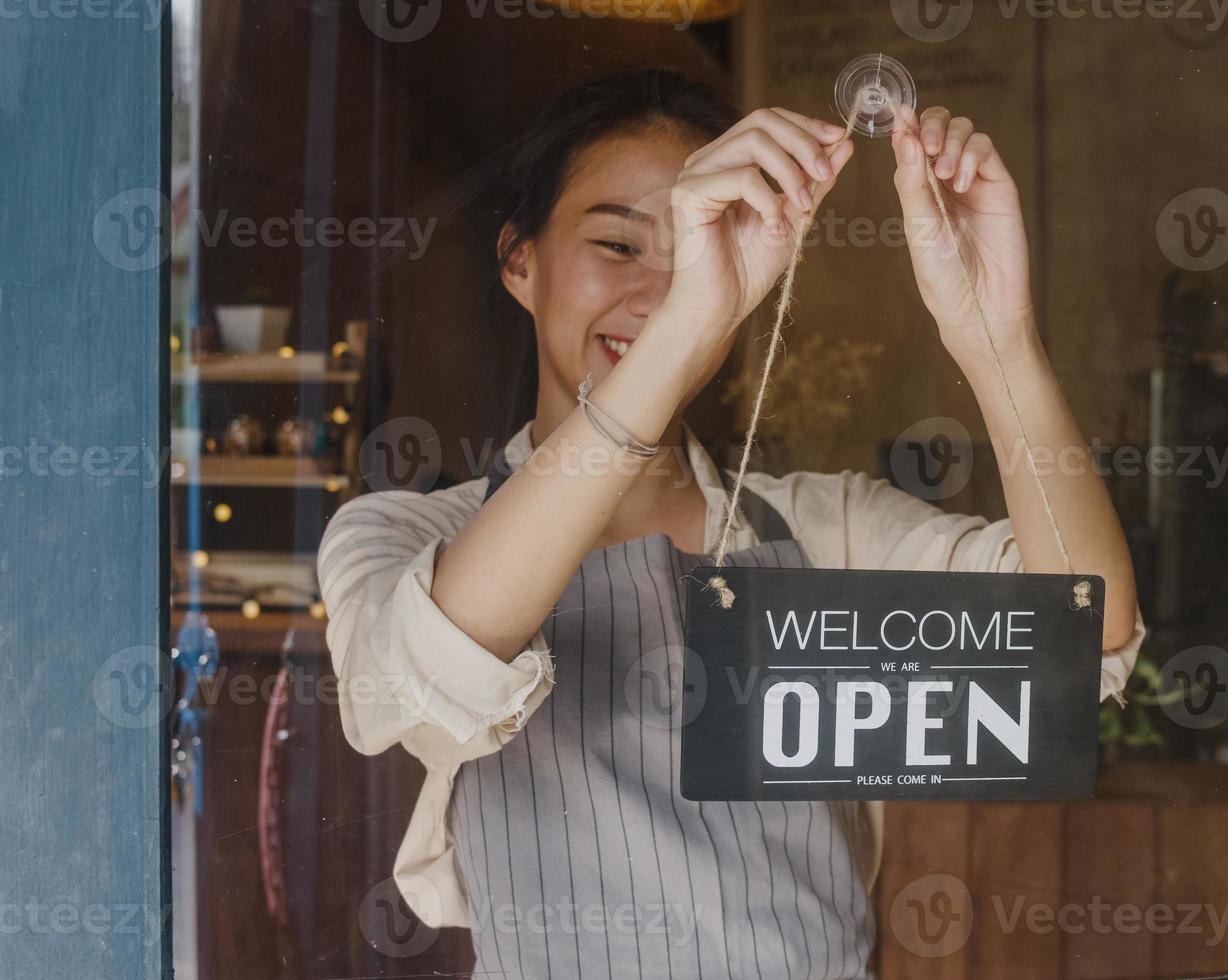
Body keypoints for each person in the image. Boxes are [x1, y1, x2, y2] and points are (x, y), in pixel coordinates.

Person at [317, 68, 1143, 980]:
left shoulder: (824, 529)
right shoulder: (399, 537)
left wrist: (998, 336)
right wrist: (682, 328)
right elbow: (431, 671)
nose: (659, 287)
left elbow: (1077, 639)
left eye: (695, 249)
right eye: (619, 245)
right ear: (520, 261)